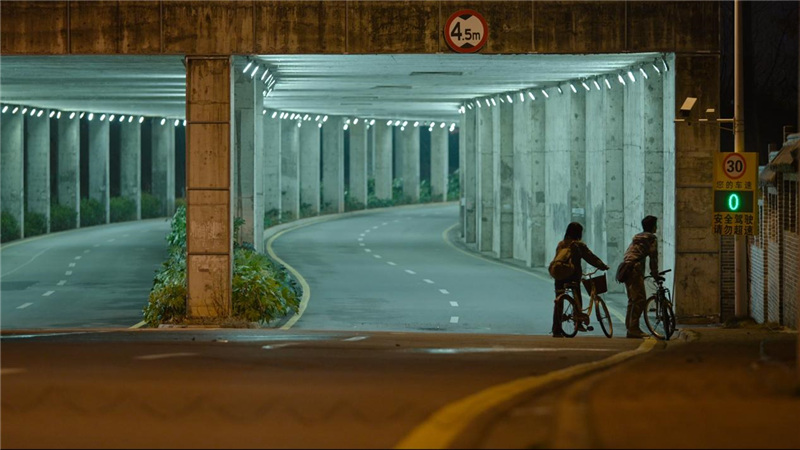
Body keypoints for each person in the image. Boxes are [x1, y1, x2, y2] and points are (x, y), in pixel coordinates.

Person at [551, 222, 610, 337]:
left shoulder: (561, 244)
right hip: (572, 276)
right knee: (577, 296)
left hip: (558, 276)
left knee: (559, 302)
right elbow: (591, 257)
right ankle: (578, 321)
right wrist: (602, 266)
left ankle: (556, 330)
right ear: (579, 233)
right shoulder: (578, 245)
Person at [619, 215, 660, 339]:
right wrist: (655, 274)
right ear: (653, 227)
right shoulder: (651, 238)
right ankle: (634, 329)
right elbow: (653, 258)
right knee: (640, 299)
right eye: (656, 225)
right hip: (634, 269)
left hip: (625, 267)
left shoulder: (637, 237)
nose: (656, 227)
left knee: (632, 299)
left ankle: (630, 327)